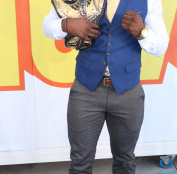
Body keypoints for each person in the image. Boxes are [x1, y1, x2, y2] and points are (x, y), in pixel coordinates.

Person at [43, 0, 169, 173]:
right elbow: (47, 25)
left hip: (128, 93)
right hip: (85, 91)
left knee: (125, 162)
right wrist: (67, 24)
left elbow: (161, 46)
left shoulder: (149, 1)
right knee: (79, 164)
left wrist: (142, 32)